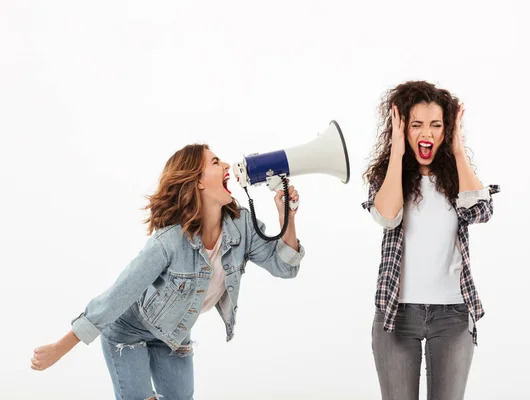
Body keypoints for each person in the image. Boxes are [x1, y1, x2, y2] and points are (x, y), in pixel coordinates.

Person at [31, 143, 305, 400]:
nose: (226, 165)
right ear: (197, 182)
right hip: (127, 332)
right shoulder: (169, 242)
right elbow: (117, 297)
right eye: (214, 161)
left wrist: (287, 216)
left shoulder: (241, 226)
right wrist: (61, 348)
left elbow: (284, 268)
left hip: (174, 334)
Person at [362, 81, 500, 400]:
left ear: (446, 129)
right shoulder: (387, 179)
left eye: (436, 125)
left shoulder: (455, 180)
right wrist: (396, 153)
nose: (427, 132)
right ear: (403, 129)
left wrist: (458, 150)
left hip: (451, 316)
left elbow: (480, 211)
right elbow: (387, 216)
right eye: (417, 124)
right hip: (397, 315)